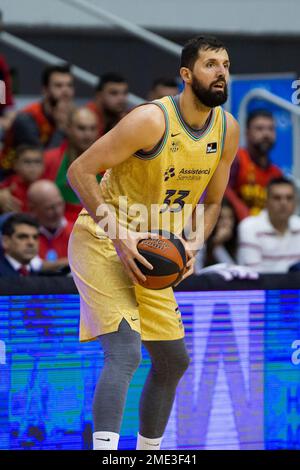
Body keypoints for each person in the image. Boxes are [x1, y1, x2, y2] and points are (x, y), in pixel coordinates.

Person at [67, 35, 239, 450]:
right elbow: (79, 171)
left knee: (173, 360)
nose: (221, 73)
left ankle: (149, 454)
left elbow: (213, 202)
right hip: (103, 238)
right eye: (210, 64)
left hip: (153, 248)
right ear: (186, 74)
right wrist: (120, 234)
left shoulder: (227, 130)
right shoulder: (150, 120)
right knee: (126, 352)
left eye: (226, 65)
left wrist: (193, 245)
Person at [0, 64, 74, 175]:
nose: (66, 91)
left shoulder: (75, 116)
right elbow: (40, 164)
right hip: (10, 178)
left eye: (69, 86)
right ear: (45, 90)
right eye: (58, 86)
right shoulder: (27, 119)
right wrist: (61, 129)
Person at [43, 107, 99, 223]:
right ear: (68, 129)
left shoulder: (110, 164)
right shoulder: (49, 159)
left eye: (92, 128)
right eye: (81, 128)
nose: (88, 134)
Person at [237, 177, 300, 272]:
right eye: (277, 198)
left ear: (295, 202)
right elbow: (254, 275)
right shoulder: (249, 227)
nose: (284, 203)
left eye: (289, 198)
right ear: (266, 201)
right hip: (259, 286)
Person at [227, 109, 282, 217]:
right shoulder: (236, 158)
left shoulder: (276, 173)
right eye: (259, 128)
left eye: (271, 129)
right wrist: (244, 213)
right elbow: (222, 190)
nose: (266, 134)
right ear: (247, 133)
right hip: (234, 226)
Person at [27, 180, 72, 273]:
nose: (58, 212)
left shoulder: (77, 231)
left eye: (60, 204)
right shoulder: (23, 234)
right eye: (50, 208)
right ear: (32, 209)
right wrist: (69, 262)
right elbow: (29, 265)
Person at [195, 198, 238, 271]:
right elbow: (198, 271)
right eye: (221, 218)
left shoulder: (235, 238)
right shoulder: (199, 240)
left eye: (230, 217)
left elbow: (235, 272)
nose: (227, 223)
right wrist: (216, 244)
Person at [0, 144, 44, 213]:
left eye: (37, 162)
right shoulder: (10, 183)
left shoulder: (46, 186)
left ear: (43, 166)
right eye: (27, 162)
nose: (33, 166)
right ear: (16, 165)